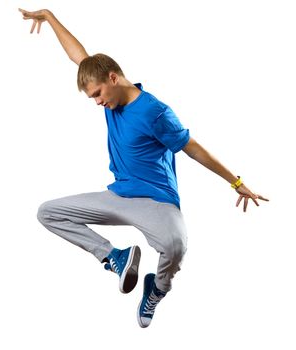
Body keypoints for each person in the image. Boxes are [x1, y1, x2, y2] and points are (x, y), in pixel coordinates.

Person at [19, 8, 269, 328]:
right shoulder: (108, 95)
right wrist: (50, 17)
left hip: (155, 199)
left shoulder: (155, 112)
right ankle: (113, 256)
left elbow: (193, 148)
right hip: (120, 193)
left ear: (113, 78)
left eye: (97, 94)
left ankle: (157, 289)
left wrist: (236, 183)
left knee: (175, 246)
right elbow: (80, 57)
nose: (97, 102)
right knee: (47, 212)